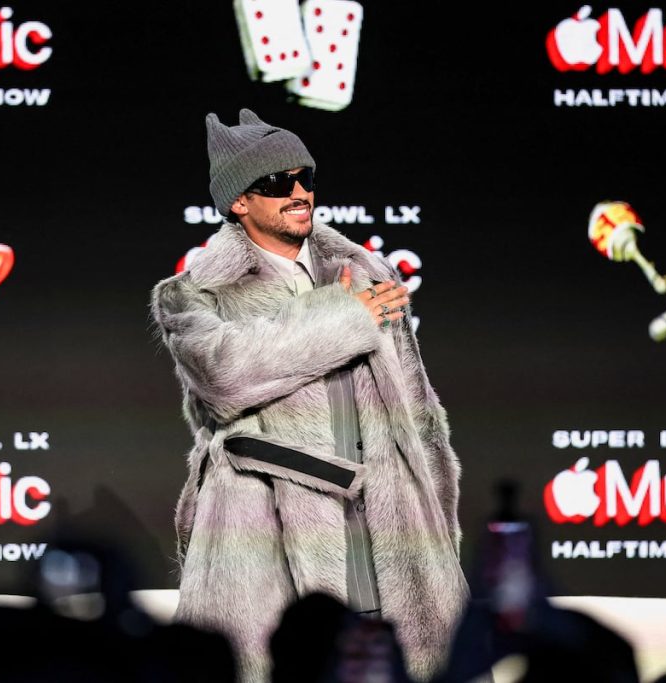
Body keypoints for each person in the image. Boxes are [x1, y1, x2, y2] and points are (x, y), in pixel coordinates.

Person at [151, 109, 468, 682]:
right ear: (238, 201)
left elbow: (419, 416)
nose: (299, 193)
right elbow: (226, 375)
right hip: (267, 527)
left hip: (388, 526)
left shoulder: (368, 273)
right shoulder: (193, 294)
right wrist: (342, 317)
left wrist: (440, 532)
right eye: (278, 182)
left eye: (306, 177)